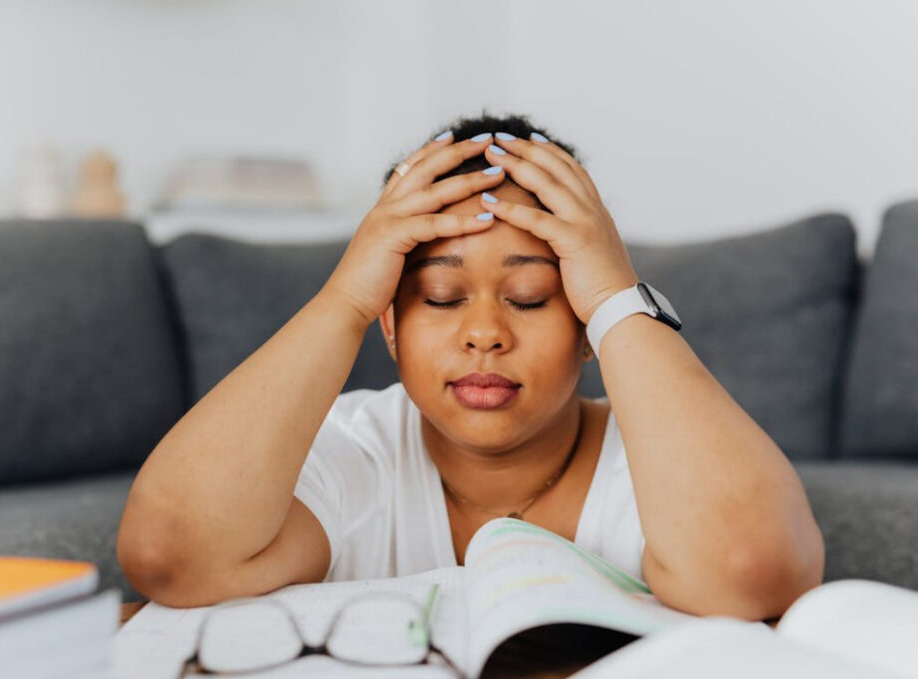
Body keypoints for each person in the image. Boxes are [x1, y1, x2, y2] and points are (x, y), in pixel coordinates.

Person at [117, 113, 824, 621]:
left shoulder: (654, 459)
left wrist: (615, 297)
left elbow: (750, 571)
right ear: (391, 323)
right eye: (441, 296)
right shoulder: (353, 450)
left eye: (529, 296)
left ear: (585, 327)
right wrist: (344, 301)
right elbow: (168, 553)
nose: (484, 332)